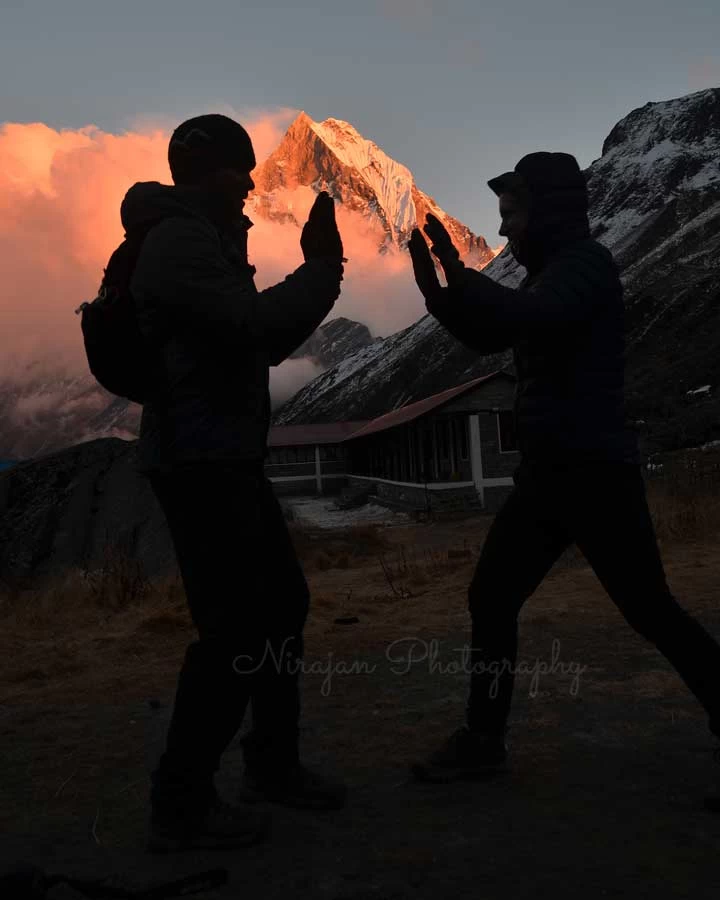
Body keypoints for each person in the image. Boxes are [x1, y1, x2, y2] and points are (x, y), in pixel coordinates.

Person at [407, 151, 720, 785]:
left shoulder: (584, 268)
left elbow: (528, 320)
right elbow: (496, 335)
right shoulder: (551, 275)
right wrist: (441, 296)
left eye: (511, 214)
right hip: (553, 474)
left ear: (546, 213)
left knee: (650, 610)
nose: (504, 231)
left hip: (592, 471)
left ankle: (482, 741)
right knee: (493, 596)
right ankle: (482, 741)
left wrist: (463, 280)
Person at [122, 114, 347, 852]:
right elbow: (255, 330)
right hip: (198, 460)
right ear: (207, 170)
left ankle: (271, 764)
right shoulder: (180, 242)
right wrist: (321, 269)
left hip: (223, 453)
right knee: (235, 631)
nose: (252, 182)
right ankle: (182, 801)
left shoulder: (205, 237)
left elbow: (249, 334)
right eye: (240, 169)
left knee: (281, 604)